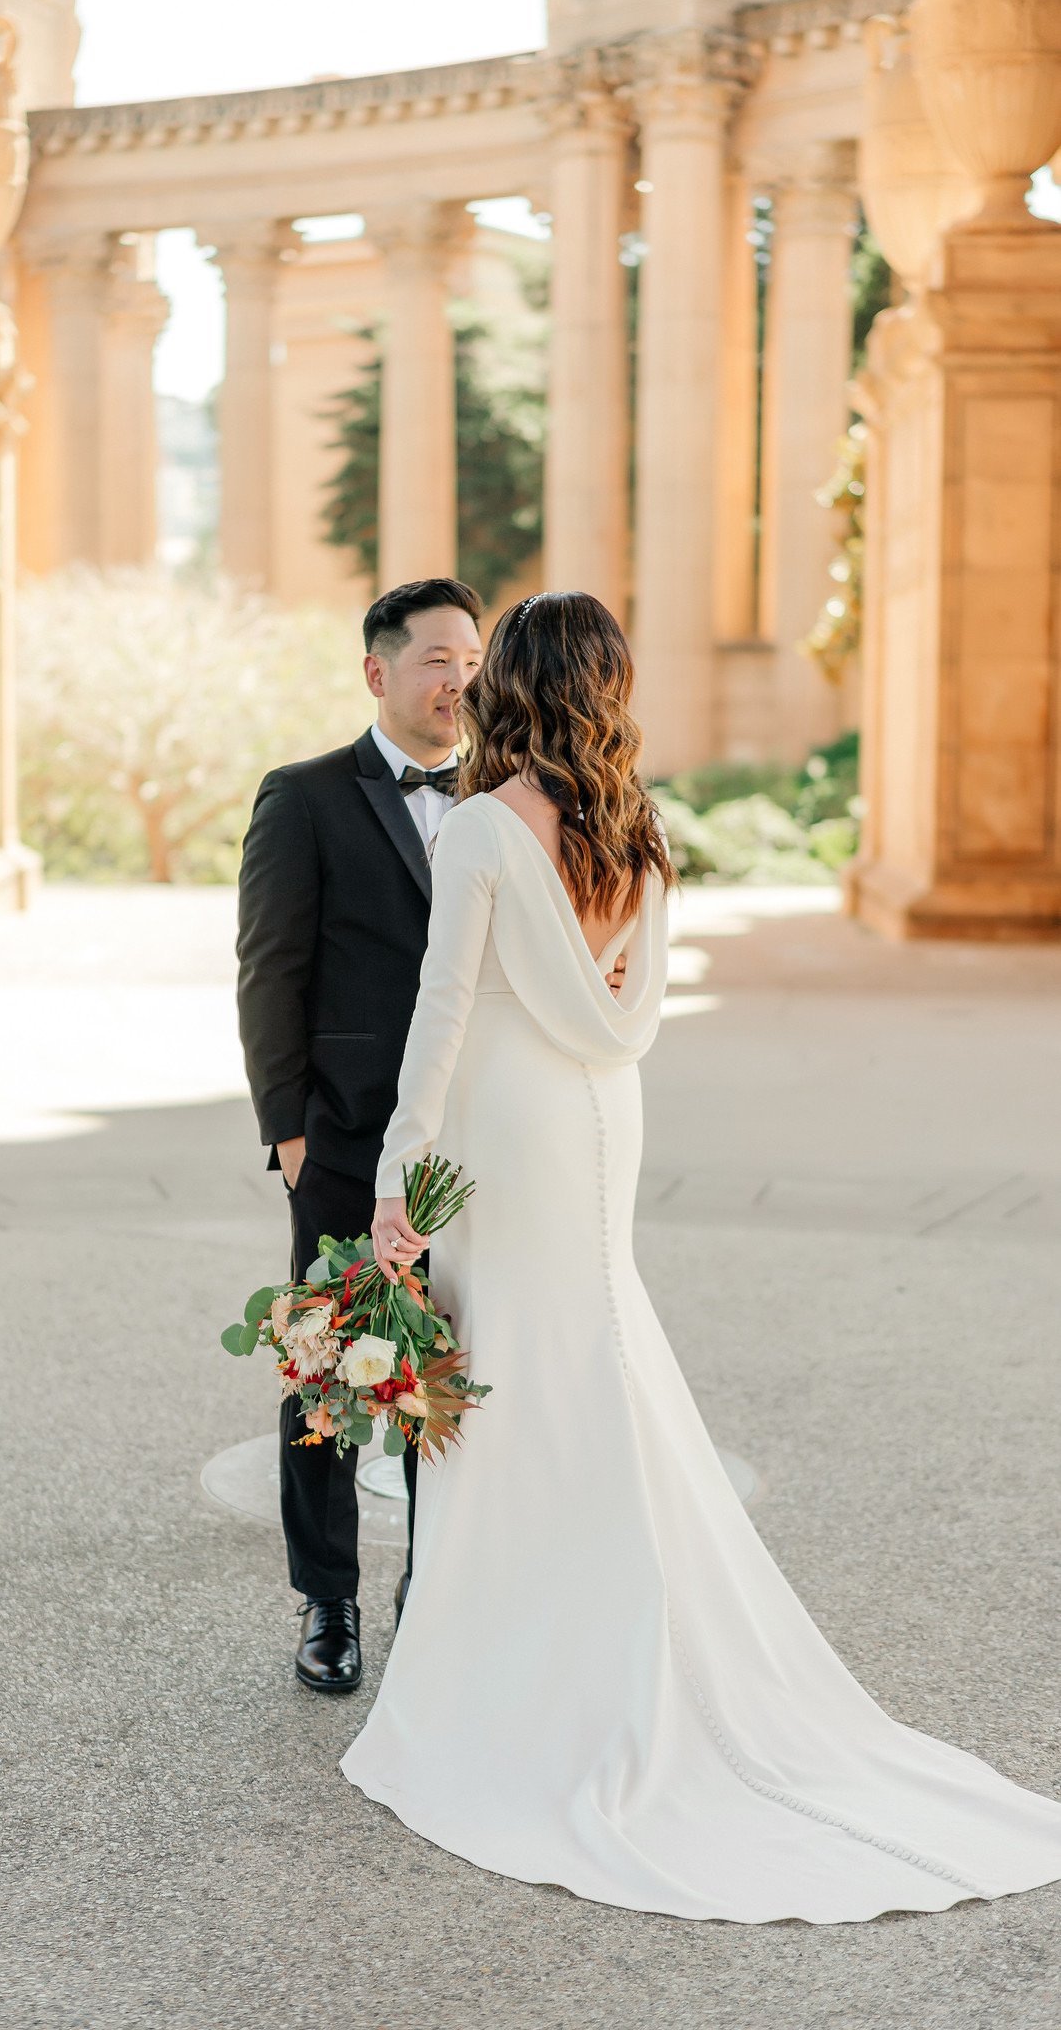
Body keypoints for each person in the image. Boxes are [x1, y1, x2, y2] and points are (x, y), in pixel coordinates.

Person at [340, 590, 1061, 1923]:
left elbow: (439, 1020)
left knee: (516, 1378)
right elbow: (634, 1019)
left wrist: (398, 1183)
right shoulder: (640, 828)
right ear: (604, 689)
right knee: (590, 1347)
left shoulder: (482, 833)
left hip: (505, 1126)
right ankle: (631, 1641)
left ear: (515, 685)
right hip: (598, 1118)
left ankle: (528, 1673)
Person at [238, 578, 629, 1696]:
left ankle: (434, 1592)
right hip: (351, 1139)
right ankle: (328, 1601)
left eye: (472, 657)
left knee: (445, 1374)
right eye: (435, 658)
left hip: (474, 1150)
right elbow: (270, 970)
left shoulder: (516, 802)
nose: (458, 677)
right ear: (377, 671)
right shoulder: (304, 796)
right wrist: (292, 1135)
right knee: (328, 1376)